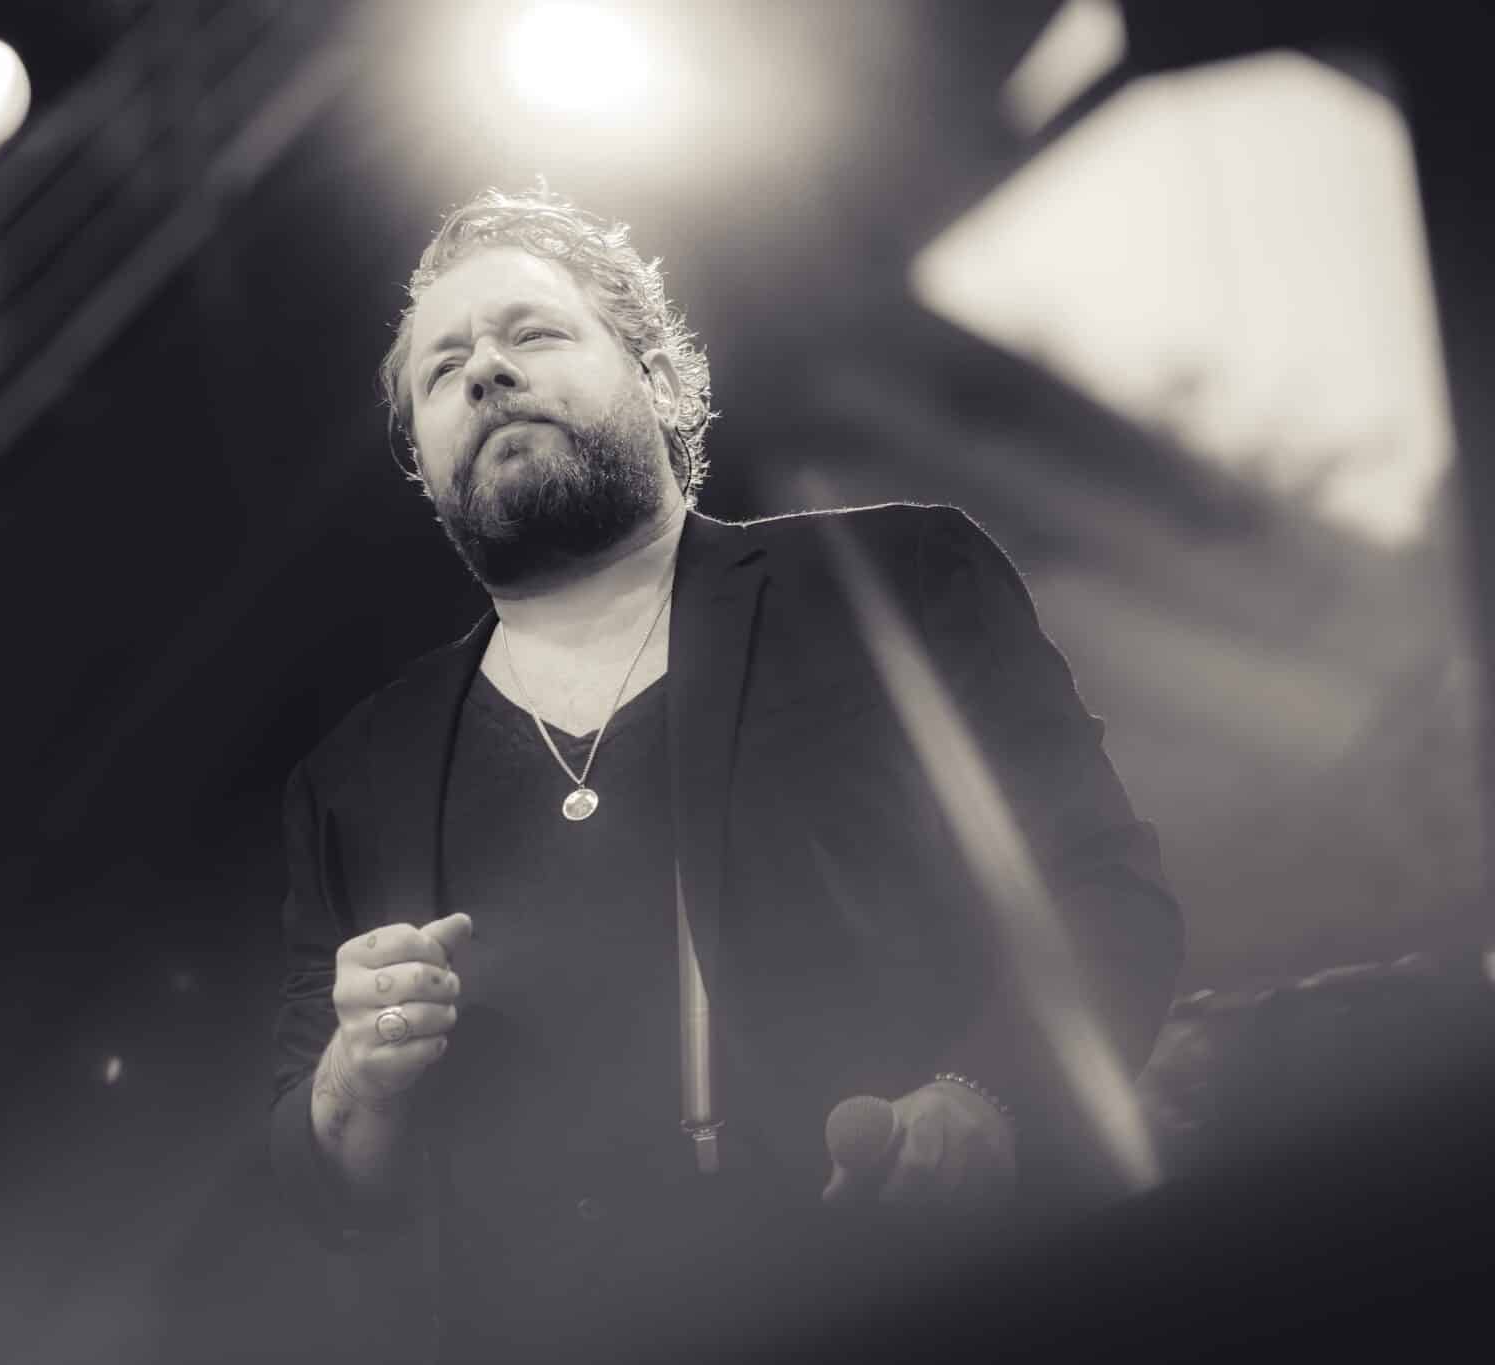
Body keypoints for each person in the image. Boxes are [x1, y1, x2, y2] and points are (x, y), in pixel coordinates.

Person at [267, 186, 1183, 1364]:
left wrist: (987, 1102)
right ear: (425, 465)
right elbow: (322, 1182)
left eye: (531, 333)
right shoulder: (349, 779)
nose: (485, 371)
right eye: (443, 370)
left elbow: (1102, 891)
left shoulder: (897, 578)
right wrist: (353, 1080)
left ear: (657, 378)